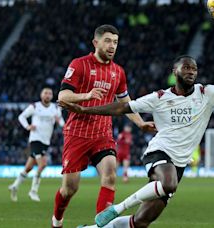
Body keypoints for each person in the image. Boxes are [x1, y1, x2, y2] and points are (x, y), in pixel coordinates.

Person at [60, 55, 214, 228]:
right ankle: (117, 208)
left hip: (179, 164)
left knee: (141, 222)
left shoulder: (208, 93)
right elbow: (122, 107)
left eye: (194, 68)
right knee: (168, 184)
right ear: (175, 71)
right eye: (186, 67)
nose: (191, 71)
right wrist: (85, 109)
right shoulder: (159, 98)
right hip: (159, 153)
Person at [52, 24, 155, 228]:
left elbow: (126, 103)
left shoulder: (118, 72)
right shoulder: (79, 64)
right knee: (70, 189)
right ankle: (57, 220)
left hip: (103, 133)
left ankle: (101, 227)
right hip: (77, 133)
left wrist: (141, 123)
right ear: (96, 42)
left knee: (109, 176)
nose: (112, 46)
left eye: (115, 42)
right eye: (107, 41)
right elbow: (62, 96)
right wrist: (87, 95)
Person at [8, 87, 64, 202]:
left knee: (28, 168)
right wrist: (27, 126)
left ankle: (14, 186)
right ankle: (33, 191)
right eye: (45, 93)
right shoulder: (34, 106)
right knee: (43, 164)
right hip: (35, 139)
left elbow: (62, 122)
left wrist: (60, 122)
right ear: (41, 95)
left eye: (49, 93)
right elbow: (21, 116)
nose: (47, 95)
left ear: (52, 96)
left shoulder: (55, 108)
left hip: (46, 141)